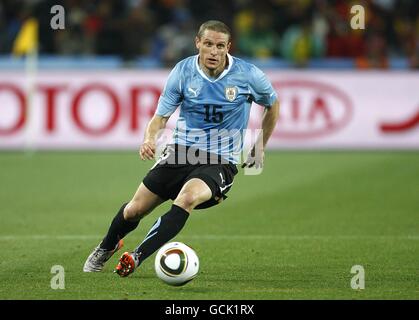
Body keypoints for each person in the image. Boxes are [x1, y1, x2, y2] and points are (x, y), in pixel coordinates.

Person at [83, 20, 280, 277]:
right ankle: (107, 246)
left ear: (228, 47)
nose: (213, 51)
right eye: (208, 44)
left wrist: (259, 146)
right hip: (181, 152)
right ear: (197, 43)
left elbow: (272, 105)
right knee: (134, 210)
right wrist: (149, 139)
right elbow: (160, 118)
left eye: (220, 46)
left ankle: (136, 256)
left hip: (220, 160)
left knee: (186, 198)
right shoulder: (183, 71)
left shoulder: (248, 75)